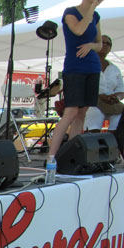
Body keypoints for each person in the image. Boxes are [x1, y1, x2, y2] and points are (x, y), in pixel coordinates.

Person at [47, 0, 104, 158]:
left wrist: (91, 46)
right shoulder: (70, 12)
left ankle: (71, 156)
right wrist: (91, 8)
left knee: (82, 112)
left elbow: (99, 43)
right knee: (71, 111)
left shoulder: (96, 16)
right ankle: (51, 157)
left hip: (92, 66)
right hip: (75, 67)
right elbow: (78, 30)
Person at [84, 34, 124, 133]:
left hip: (112, 104)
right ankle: (94, 145)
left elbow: (121, 89)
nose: (105, 45)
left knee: (119, 122)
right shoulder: (86, 64)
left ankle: (115, 145)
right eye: (103, 42)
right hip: (92, 102)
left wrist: (116, 97)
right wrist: (100, 96)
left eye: (108, 43)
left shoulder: (114, 68)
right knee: (94, 115)